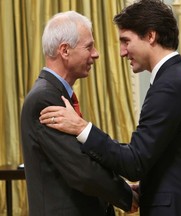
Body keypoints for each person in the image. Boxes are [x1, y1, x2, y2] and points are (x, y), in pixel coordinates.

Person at [39, 0, 181, 215]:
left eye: (126, 41)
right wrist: (148, 185)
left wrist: (82, 128)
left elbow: (134, 163)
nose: (122, 52)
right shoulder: (177, 77)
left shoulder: (170, 85)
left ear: (151, 36)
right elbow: (167, 155)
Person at [20, 11, 137, 216]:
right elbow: (81, 170)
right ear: (65, 50)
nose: (96, 54)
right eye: (89, 46)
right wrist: (126, 196)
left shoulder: (55, 93)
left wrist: (123, 186)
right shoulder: (44, 99)